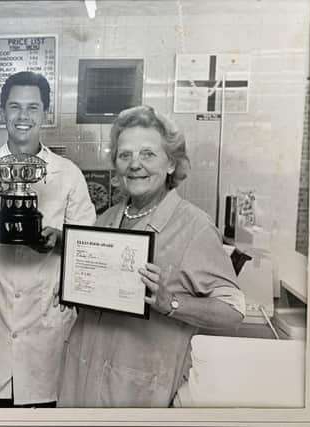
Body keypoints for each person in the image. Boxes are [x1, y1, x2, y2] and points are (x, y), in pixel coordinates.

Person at [58, 105, 245, 408]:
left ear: (171, 163)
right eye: (125, 155)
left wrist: (170, 303)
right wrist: (75, 287)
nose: (135, 164)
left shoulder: (193, 227)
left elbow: (233, 309)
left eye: (148, 154)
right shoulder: (106, 220)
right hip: (80, 382)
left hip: (139, 391)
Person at [0, 71, 96, 407]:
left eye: (33, 107)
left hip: (45, 327)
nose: (23, 116)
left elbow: (89, 248)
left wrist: (58, 239)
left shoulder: (68, 173)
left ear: (45, 114)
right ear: (2, 113)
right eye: (14, 107)